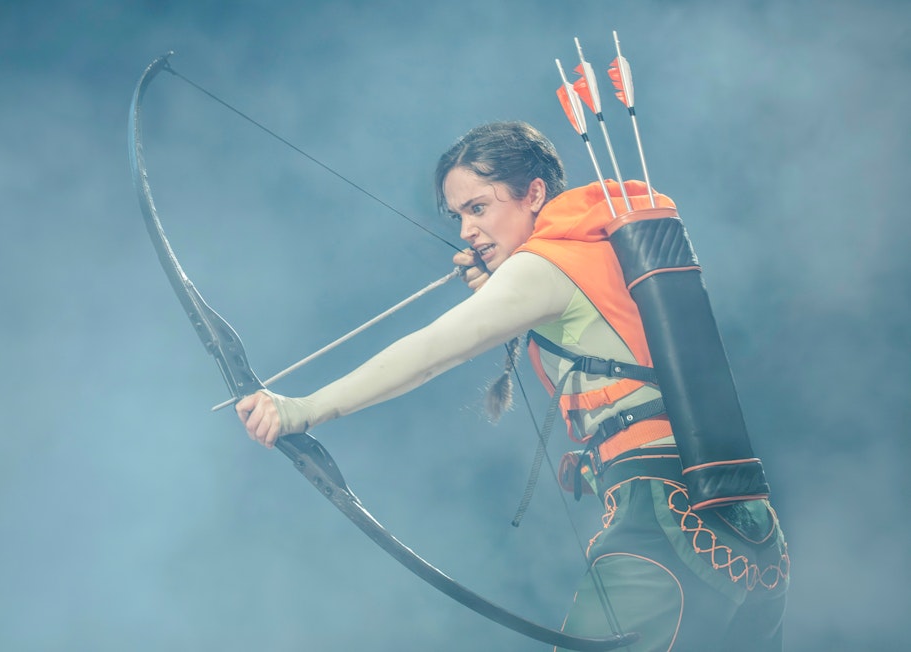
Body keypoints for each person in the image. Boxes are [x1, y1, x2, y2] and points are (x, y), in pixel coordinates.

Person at [236, 121, 789, 651]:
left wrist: (301, 409)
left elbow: (427, 354)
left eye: (479, 207)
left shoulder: (548, 264)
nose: (466, 231)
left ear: (534, 193)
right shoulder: (601, 248)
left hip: (665, 527)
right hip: (750, 528)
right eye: (458, 215)